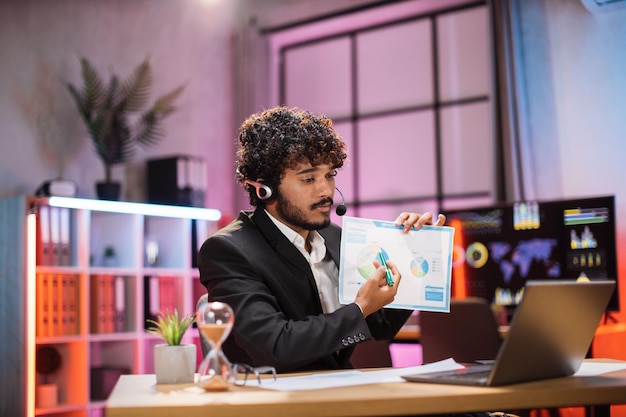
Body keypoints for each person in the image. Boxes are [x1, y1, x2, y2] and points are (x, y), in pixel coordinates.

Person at [198, 106, 446, 374]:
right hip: (278, 401)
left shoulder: (333, 237)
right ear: (264, 189)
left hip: (337, 390)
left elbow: (381, 324)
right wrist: (360, 307)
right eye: (308, 179)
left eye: (329, 175)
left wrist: (416, 252)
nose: (325, 190)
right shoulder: (229, 250)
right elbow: (275, 346)